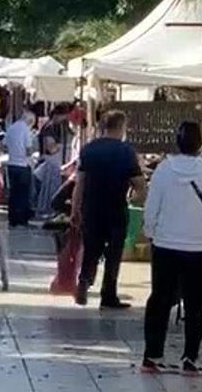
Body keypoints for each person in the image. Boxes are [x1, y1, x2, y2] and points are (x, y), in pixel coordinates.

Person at [141, 122, 202, 376]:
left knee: (159, 299)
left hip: (165, 244)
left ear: (176, 142)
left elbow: (152, 204)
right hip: (201, 246)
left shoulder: (164, 170)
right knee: (195, 302)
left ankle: (152, 355)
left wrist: (150, 232)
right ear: (200, 143)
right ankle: (190, 358)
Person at [72, 111, 147, 309]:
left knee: (91, 249)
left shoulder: (88, 149)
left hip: (91, 208)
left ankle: (84, 281)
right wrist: (136, 198)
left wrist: (74, 210)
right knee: (113, 254)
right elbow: (139, 184)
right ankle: (108, 295)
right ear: (121, 127)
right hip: (116, 208)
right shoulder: (126, 152)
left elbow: (79, 182)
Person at [4, 109, 37, 227]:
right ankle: (22, 219)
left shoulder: (11, 128)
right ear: (30, 120)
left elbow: (5, 145)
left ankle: (12, 219)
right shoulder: (26, 130)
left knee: (13, 192)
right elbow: (28, 149)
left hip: (11, 164)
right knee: (23, 193)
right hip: (23, 165)